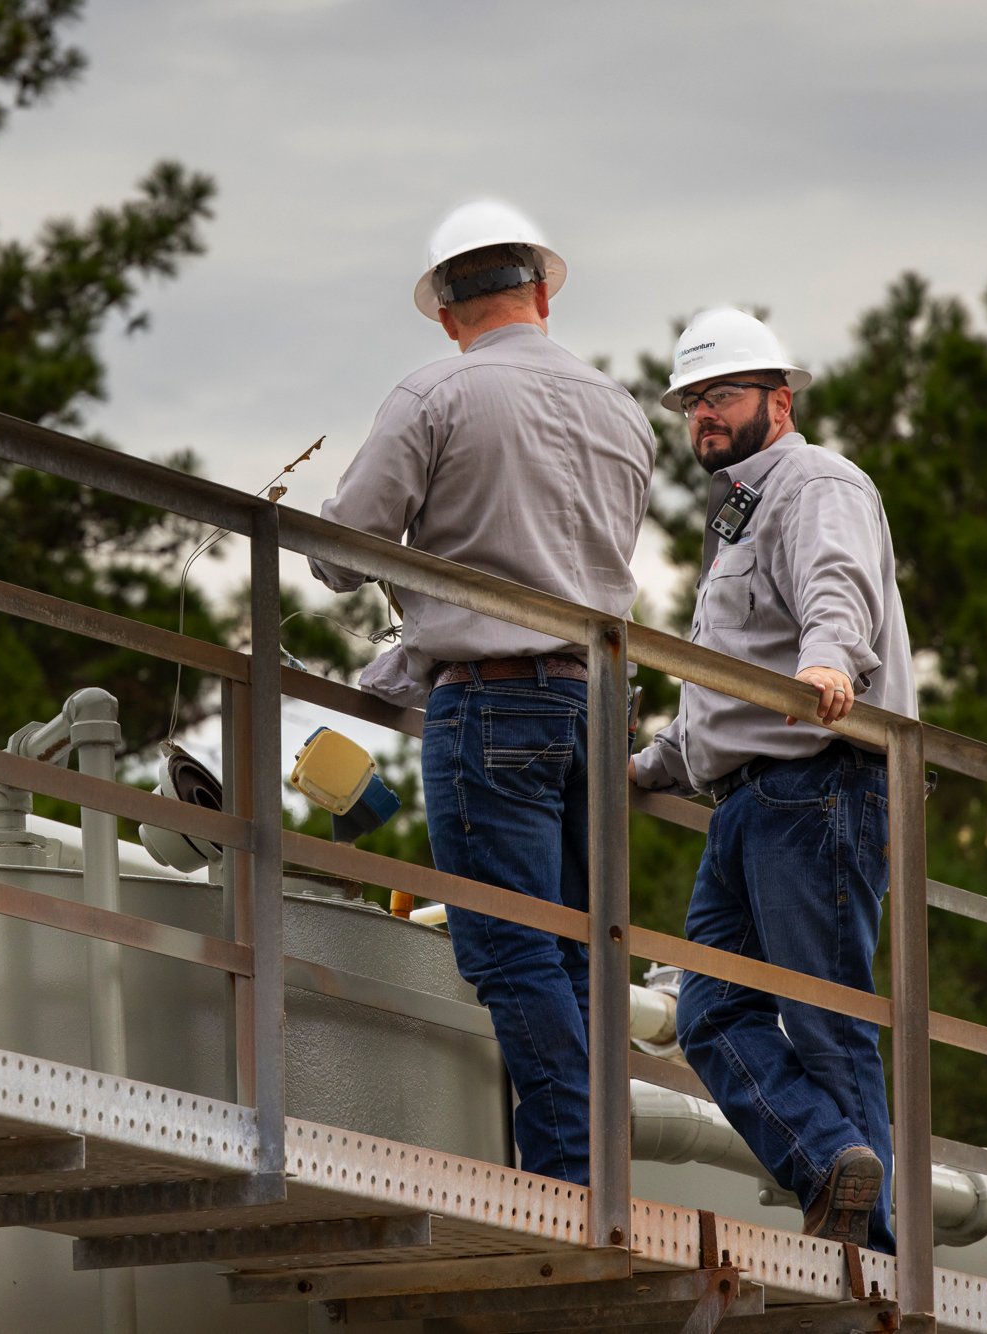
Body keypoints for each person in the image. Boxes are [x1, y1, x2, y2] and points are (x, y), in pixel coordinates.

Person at [309, 201, 654, 1184]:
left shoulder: (434, 394)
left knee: (509, 946)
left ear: (446, 314)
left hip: (491, 701)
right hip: (596, 700)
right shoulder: (618, 406)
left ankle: (569, 1177)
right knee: (589, 944)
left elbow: (344, 549)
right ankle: (604, 1166)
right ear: (539, 293)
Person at [629, 307, 916, 1251]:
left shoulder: (816, 482)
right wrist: (649, 769)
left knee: (826, 1024)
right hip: (750, 803)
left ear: (777, 401)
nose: (702, 415)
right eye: (691, 402)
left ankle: (874, 1259)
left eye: (720, 395)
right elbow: (725, 679)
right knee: (709, 1013)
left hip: (815, 786)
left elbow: (837, 589)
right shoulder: (738, 513)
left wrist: (832, 663)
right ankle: (834, 1164)